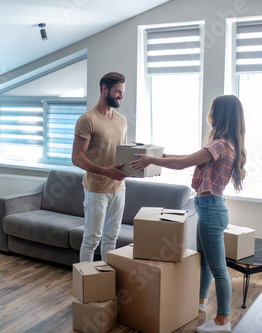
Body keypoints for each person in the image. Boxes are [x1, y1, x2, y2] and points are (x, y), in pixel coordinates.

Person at [130, 95, 247, 333]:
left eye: (212, 108)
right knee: (204, 263)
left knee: (218, 269)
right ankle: (200, 303)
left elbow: (183, 164)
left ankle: (223, 321)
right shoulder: (227, 143)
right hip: (210, 207)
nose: (209, 112)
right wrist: (158, 156)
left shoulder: (219, 145)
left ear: (220, 114)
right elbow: (185, 158)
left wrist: (152, 160)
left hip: (211, 209)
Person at [72, 72, 129, 263]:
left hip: (119, 190)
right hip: (96, 190)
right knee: (91, 239)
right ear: (104, 89)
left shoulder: (122, 120)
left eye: (122, 92)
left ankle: (105, 281)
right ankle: (87, 284)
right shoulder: (87, 120)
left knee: (111, 238)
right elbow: (77, 158)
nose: (121, 96)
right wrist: (106, 171)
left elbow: (123, 152)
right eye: (117, 92)